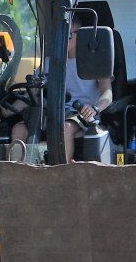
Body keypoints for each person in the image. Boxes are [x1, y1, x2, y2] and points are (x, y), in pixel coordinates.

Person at [8, 12, 114, 161]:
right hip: (53, 113)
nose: (64, 39)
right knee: (19, 129)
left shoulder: (95, 61)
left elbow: (107, 93)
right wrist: (5, 112)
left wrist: (95, 108)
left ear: (82, 35)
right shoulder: (49, 62)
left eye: (69, 35)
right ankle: (17, 176)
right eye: (62, 35)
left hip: (82, 115)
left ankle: (60, 175)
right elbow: (30, 95)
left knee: (65, 128)